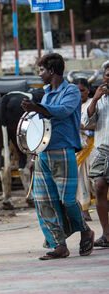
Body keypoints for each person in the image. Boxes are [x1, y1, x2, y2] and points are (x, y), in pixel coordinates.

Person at [21, 53, 94, 260]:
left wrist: (38, 108)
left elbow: (63, 111)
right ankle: (59, 245)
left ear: (52, 70)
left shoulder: (70, 91)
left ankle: (85, 230)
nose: (40, 74)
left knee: (67, 199)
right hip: (44, 152)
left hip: (63, 150)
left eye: (42, 70)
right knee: (44, 200)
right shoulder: (45, 94)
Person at [82, 60, 109, 248]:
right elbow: (87, 120)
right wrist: (95, 99)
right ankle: (106, 234)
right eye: (108, 75)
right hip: (102, 149)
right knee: (99, 187)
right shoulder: (99, 99)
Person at [74, 78, 97, 221]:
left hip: (94, 147)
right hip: (78, 148)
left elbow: (100, 123)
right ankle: (84, 210)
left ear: (88, 90)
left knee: (96, 178)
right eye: (76, 91)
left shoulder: (94, 103)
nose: (79, 93)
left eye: (82, 90)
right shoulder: (71, 106)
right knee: (80, 180)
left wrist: (84, 127)